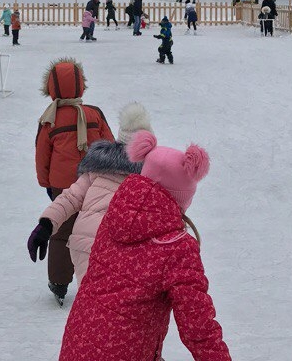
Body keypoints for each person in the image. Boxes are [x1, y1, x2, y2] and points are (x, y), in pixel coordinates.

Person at [58, 131, 231, 361]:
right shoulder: (176, 247)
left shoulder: (113, 217)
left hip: (78, 344)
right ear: (181, 197)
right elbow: (198, 326)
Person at [27, 103, 151, 282]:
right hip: (124, 249)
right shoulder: (153, 177)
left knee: (92, 304)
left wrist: (46, 225)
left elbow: (70, 197)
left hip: (85, 245)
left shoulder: (97, 168)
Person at [34, 59, 114, 305]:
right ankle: (102, 276)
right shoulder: (94, 113)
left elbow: (42, 155)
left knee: (60, 232)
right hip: (97, 182)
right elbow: (110, 144)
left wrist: (46, 183)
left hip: (62, 184)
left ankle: (59, 282)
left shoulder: (49, 120)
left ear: (51, 88)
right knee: (97, 229)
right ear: (81, 86)